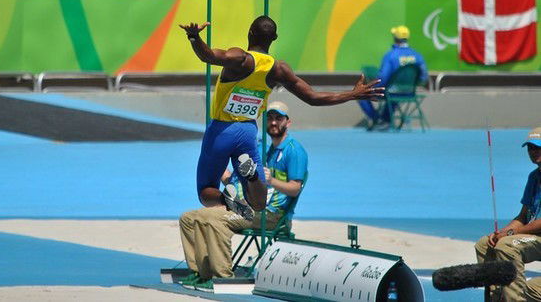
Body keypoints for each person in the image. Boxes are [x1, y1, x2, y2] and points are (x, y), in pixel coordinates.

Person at [178, 16, 383, 220]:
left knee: (205, 191)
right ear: (274, 38)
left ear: (249, 32)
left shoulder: (240, 58)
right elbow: (313, 98)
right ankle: (252, 176)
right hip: (247, 132)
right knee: (258, 203)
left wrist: (194, 37)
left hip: (222, 131)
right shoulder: (279, 70)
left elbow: (209, 56)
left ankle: (227, 201)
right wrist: (352, 94)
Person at [178, 101, 308, 290]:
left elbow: (295, 188)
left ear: (288, 122)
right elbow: (239, 178)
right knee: (190, 218)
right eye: (270, 118)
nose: (273, 123)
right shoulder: (259, 146)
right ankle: (199, 272)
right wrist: (223, 174)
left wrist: (272, 181)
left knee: (214, 220)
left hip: (271, 214)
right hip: (244, 205)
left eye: (278, 119)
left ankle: (222, 275)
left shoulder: (294, 151)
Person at [474, 127, 541, 302]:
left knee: (507, 245)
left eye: (538, 147)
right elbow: (523, 216)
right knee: (485, 244)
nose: (534, 152)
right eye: (530, 148)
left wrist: (511, 234)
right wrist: (500, 233)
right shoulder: (534, 177)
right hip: (535, 237)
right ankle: (496, 298)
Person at [358, 25, 428, 129]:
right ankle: (385, 119)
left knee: (360, 95)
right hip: (409, 93)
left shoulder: (391, 55)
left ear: (395, 38)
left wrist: (374, 89)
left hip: (391, 93)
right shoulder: (417, 56)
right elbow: (423, 77)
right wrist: (409, 86)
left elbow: (383, 78)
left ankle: (378, 120)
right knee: (393, 93)